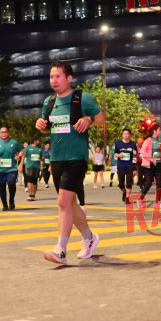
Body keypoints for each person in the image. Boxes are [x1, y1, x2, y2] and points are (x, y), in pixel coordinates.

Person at [35, 60, 104, 264]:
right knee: (70, 204)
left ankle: (61, 250)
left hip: (76, 158)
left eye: (58, 76)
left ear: (69, 78)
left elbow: (101, 119)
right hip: (57, 158)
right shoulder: (49, 102)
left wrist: (88, 119)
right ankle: (89, 238)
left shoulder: (82, 98)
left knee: (63, 202)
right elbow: (47, 128)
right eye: (51, 76)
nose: (54, 80)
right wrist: (41, 125)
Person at [0, 125, 23, 211]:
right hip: (0, 169)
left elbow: (21, 150)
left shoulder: (14, 142)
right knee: (2, 186)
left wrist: (19, 156)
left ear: (8, 132)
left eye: (5, 132)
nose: (4, 134)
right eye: (2, 132)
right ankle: (4, 204)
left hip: (12, 168)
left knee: (11, 183)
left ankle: (11, 200)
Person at [138, 123, 161, 208]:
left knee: (159, 183)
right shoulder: (148, 140)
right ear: (155, 131)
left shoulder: (159, 140)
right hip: (149, 165)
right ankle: (140, 199)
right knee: (148, 183)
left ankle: (158, 202)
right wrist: (152, 159)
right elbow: (142, 152)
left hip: (158, 165)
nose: (160, 131)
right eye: (159, 130)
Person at [113, 128, 138, 204]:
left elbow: (136, 155)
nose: (126, 135)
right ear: (122, 135)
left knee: (129, 183)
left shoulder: (133, 144)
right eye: (124, 134)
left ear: (130, 135)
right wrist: (119, 155)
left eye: (127, 134)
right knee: (121, 184)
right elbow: (115, 153)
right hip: (121, 166)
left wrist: (135, 154)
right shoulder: (118, 144)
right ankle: (124, 192)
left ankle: (127, 198)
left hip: (129, 166)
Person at [23, 135, 43, 201]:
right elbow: (23, 156)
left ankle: (33, 195)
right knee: (30, 180)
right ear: (34, 141)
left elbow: (42, 157)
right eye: (38, 140)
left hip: (37, 167)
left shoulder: (40, 148)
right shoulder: (28, 148)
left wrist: (41, 159)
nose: (39, 141)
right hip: (29, 166)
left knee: (35, 181)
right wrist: (20, 165)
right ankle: (30, 195)